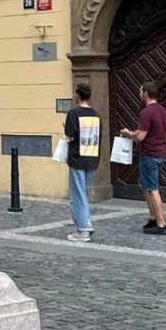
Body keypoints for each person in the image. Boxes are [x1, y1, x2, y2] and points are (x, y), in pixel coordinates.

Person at [120, 81, 166, 235]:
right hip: (161, 152)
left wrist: (129, 134)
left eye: (140, 91)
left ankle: (161, 224)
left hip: (150, 154)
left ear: (146, 94)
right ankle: (153, 217)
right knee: (144, 185)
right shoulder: (163, 110)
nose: (139, 94)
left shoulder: (146, 112)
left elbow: (140, 136)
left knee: (153, 189)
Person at [64, 83, 101, 242]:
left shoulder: (74, 112)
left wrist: (66, 128)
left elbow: (70, 136)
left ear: (77, 96)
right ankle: (86, 222)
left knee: (76, 195)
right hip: (92, 158)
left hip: (78, 158)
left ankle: (83, 230)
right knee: (82, 192)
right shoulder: (96, 114)